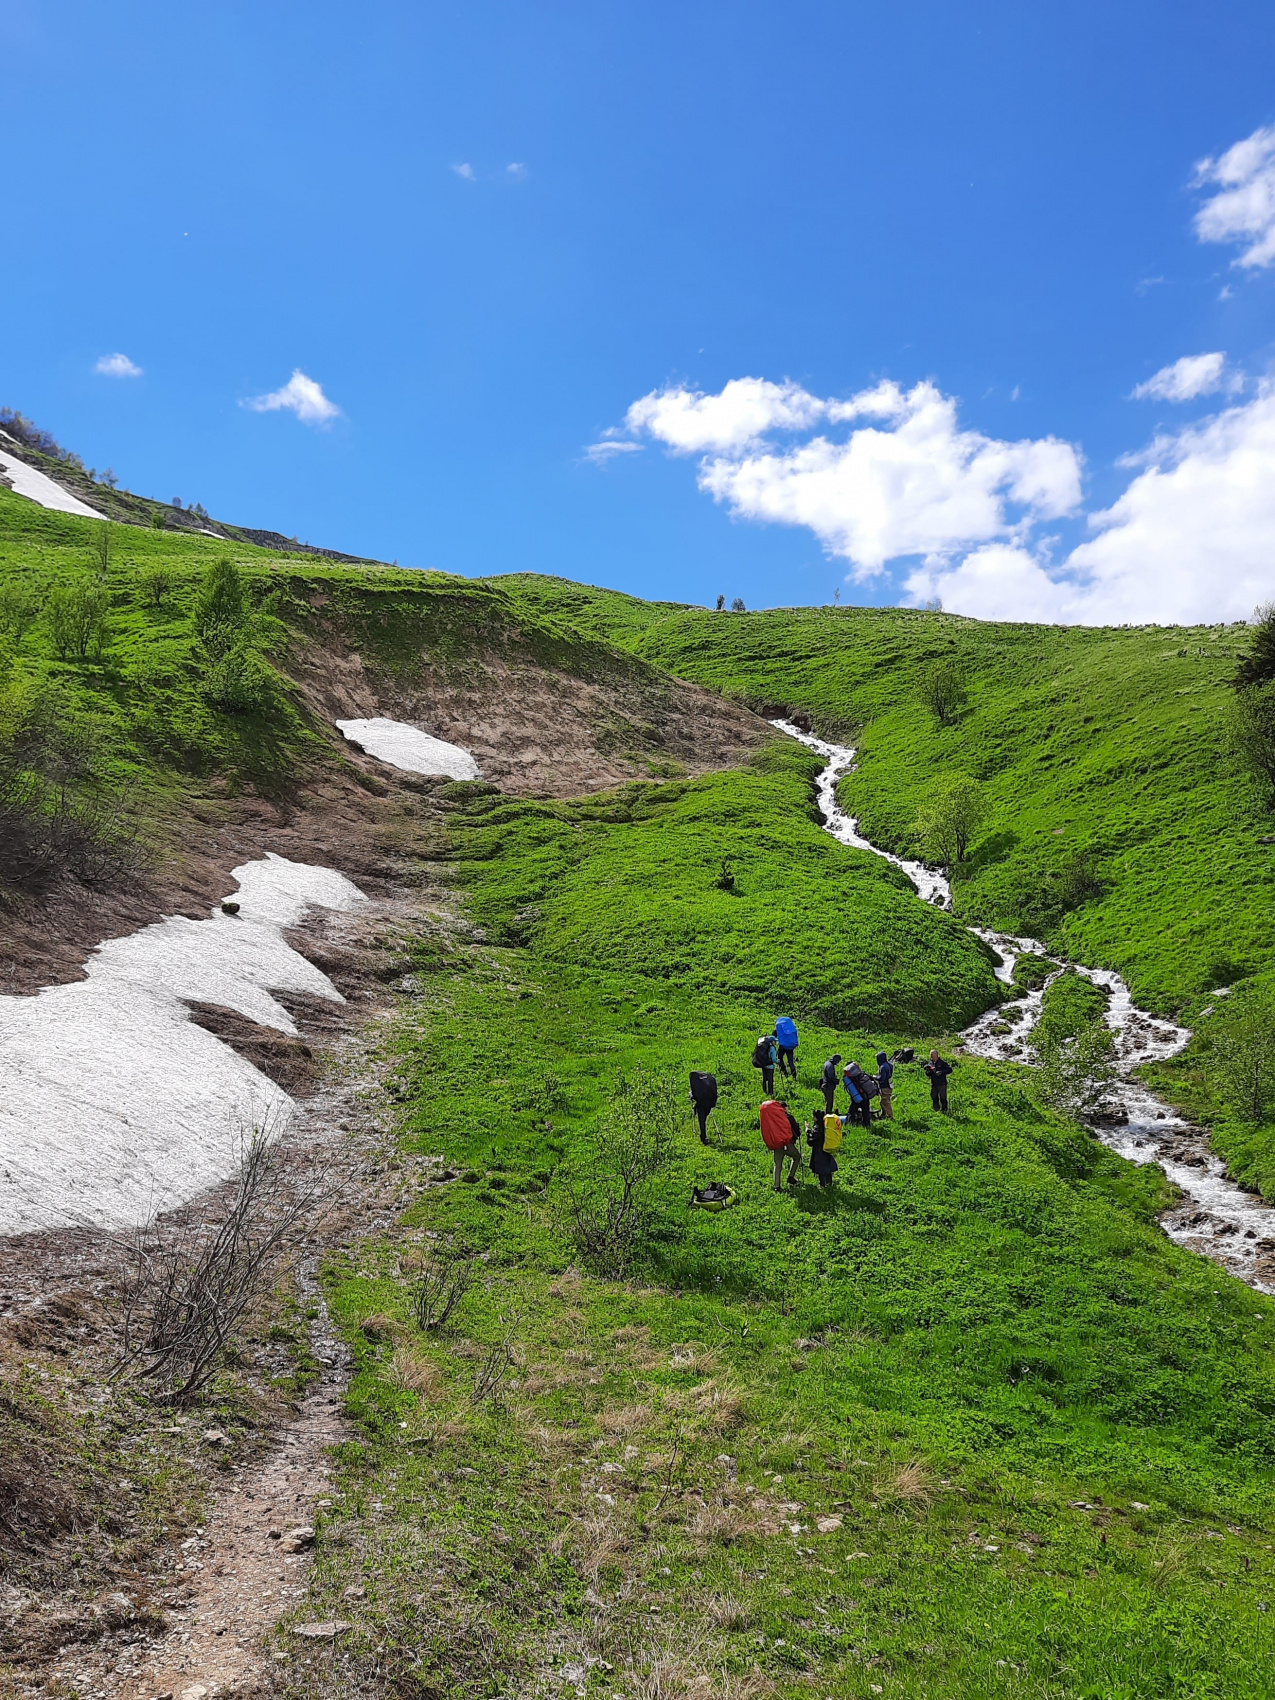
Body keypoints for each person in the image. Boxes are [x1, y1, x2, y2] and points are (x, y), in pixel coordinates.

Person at [760, 1097, 803, 1191]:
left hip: (776, 1144)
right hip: (787, 1144)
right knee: (797, 1157)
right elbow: (797, 1132)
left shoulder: (772, 1119)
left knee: (777, 1165)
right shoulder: (788, 1117)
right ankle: (791, 1176)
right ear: (784, 1108)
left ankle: (777, 1186)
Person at [807, 1109, 839, 1189]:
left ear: (816, 1117)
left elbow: (814, 1137)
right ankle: (829, 1183)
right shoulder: (825, 1125)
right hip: (827, 1147)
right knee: (827, 1166)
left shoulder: (817, 1126)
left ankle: (822, 1184)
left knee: (820, 1168)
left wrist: (808, 1130)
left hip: (819, 1150)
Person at [689, 1071, 718, 1144]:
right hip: (709, 1101)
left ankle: (703, 1137)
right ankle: (703, 1136)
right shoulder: (709, 1080)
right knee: (704, 1117)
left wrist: (691, 1096)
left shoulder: (696, 1081)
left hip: (701, 1102)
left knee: (702, 1119)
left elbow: (695, 1094)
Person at [843, 1060, 873, 1128]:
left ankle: (851, 1123)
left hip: (856, 1097)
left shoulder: (848, 1077)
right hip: (865, 1095)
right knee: (865, 1111)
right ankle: (867, 1125)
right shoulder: (860, 1074)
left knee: (852, 1111)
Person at [775, 1016, 799, 1080]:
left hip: (782, 1046)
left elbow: (774, 1036)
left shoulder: (779, 1029)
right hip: (790, 1046)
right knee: (791, 1061)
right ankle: (794, 1076)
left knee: (780, 1057)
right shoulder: (789, 1028)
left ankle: (784, 1072)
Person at [874, 1050, 894, 1121]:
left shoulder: (883, 1067)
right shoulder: (889, 1065)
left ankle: (890, 1116)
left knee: (885, 1102)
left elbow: (881, 1078)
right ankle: (884, 1114)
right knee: (882, 1101)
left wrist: (875, 1077)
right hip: (889, 1085)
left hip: (885, 1087)